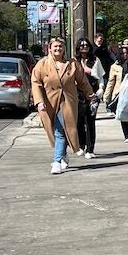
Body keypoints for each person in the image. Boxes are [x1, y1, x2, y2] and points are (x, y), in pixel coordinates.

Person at [31, 36, 96, 175]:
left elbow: (83, 82)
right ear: (50, 48)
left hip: (67, 102)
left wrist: (91, 96)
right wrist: (39, 101)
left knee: (61, 131)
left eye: (60, 47)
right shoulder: (41, 64)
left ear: (64, 49)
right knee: (55, 132)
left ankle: (56, 161)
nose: (58, 49)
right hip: (48, 102)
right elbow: (36, 83)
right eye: (55, 47)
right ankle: (62, 154)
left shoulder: (72, 64)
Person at [73, 38, 100, 158]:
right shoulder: (74, 61)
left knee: (90, 122)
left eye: (86, 45)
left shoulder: (95, 60)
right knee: (78, 121)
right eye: (82, 45)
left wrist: (101, 90)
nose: (84, 47)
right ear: (78, 47)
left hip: (92, 94)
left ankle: (90, 149)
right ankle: (81, 144)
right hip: (77, 94)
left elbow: (100, 77)